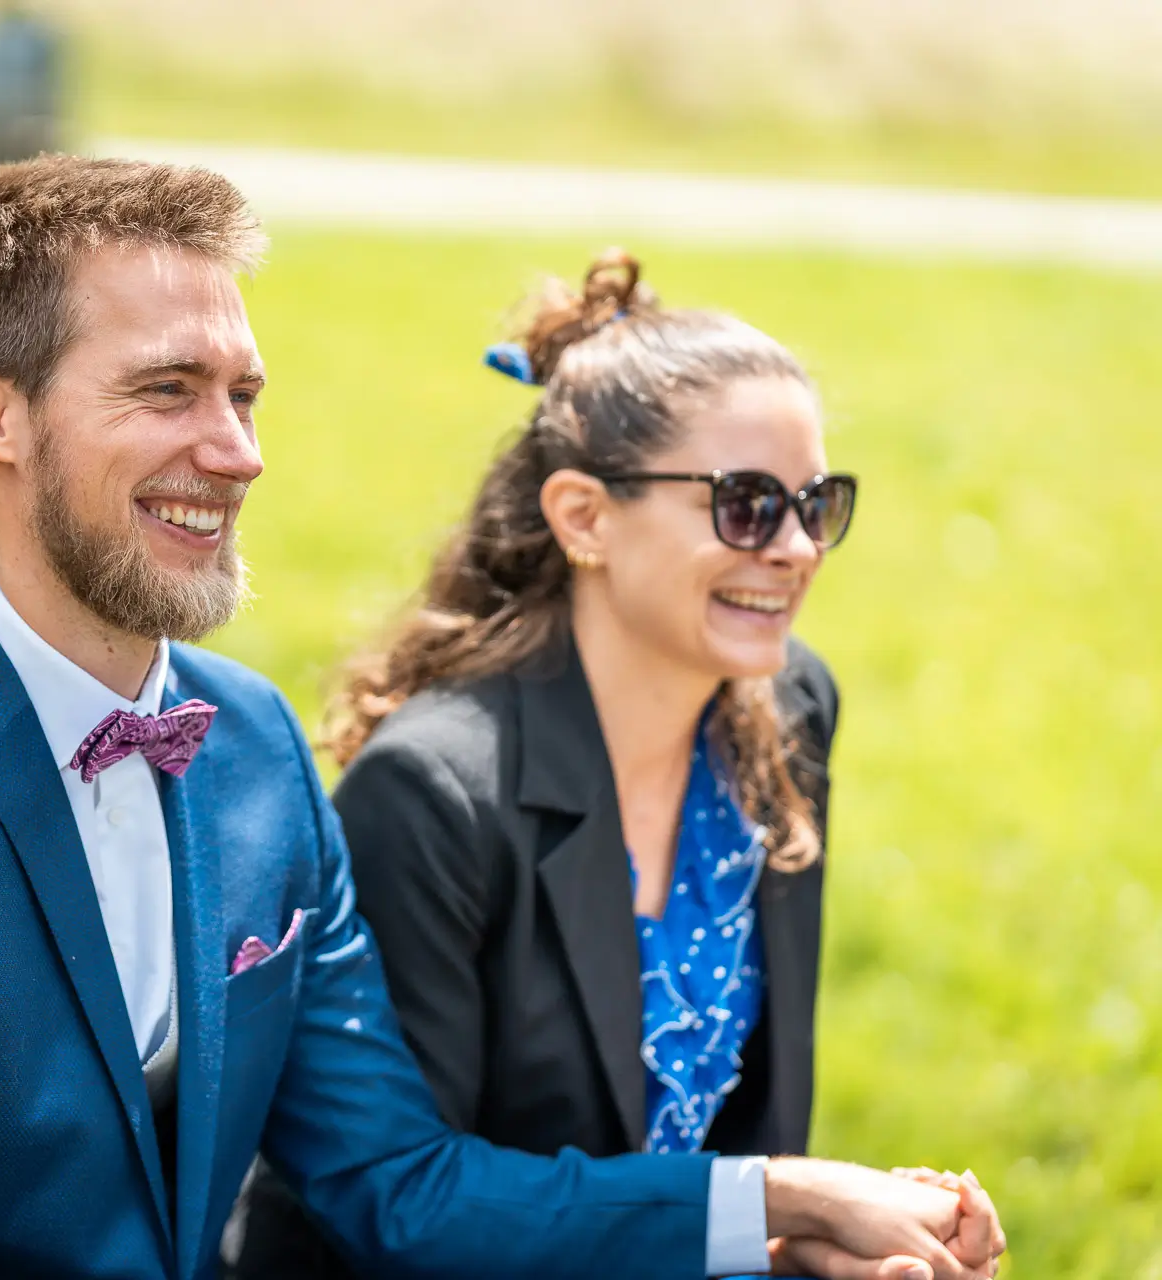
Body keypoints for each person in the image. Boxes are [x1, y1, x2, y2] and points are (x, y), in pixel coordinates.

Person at [0, 158, 1003, 1280]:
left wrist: (779, 1207)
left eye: (243, 395)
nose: (239, 450)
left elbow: (397, 1184)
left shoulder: (250, 747)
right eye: (167, 390)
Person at [230, 250, 949, 1277]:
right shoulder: (434, 792)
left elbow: (738, 1130)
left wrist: (797, 1249)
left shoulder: (789, 711)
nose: (795, 546)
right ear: (584, 516)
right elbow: (409, 1206)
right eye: (747, 502)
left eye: (816, 502)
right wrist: (780, 1195)